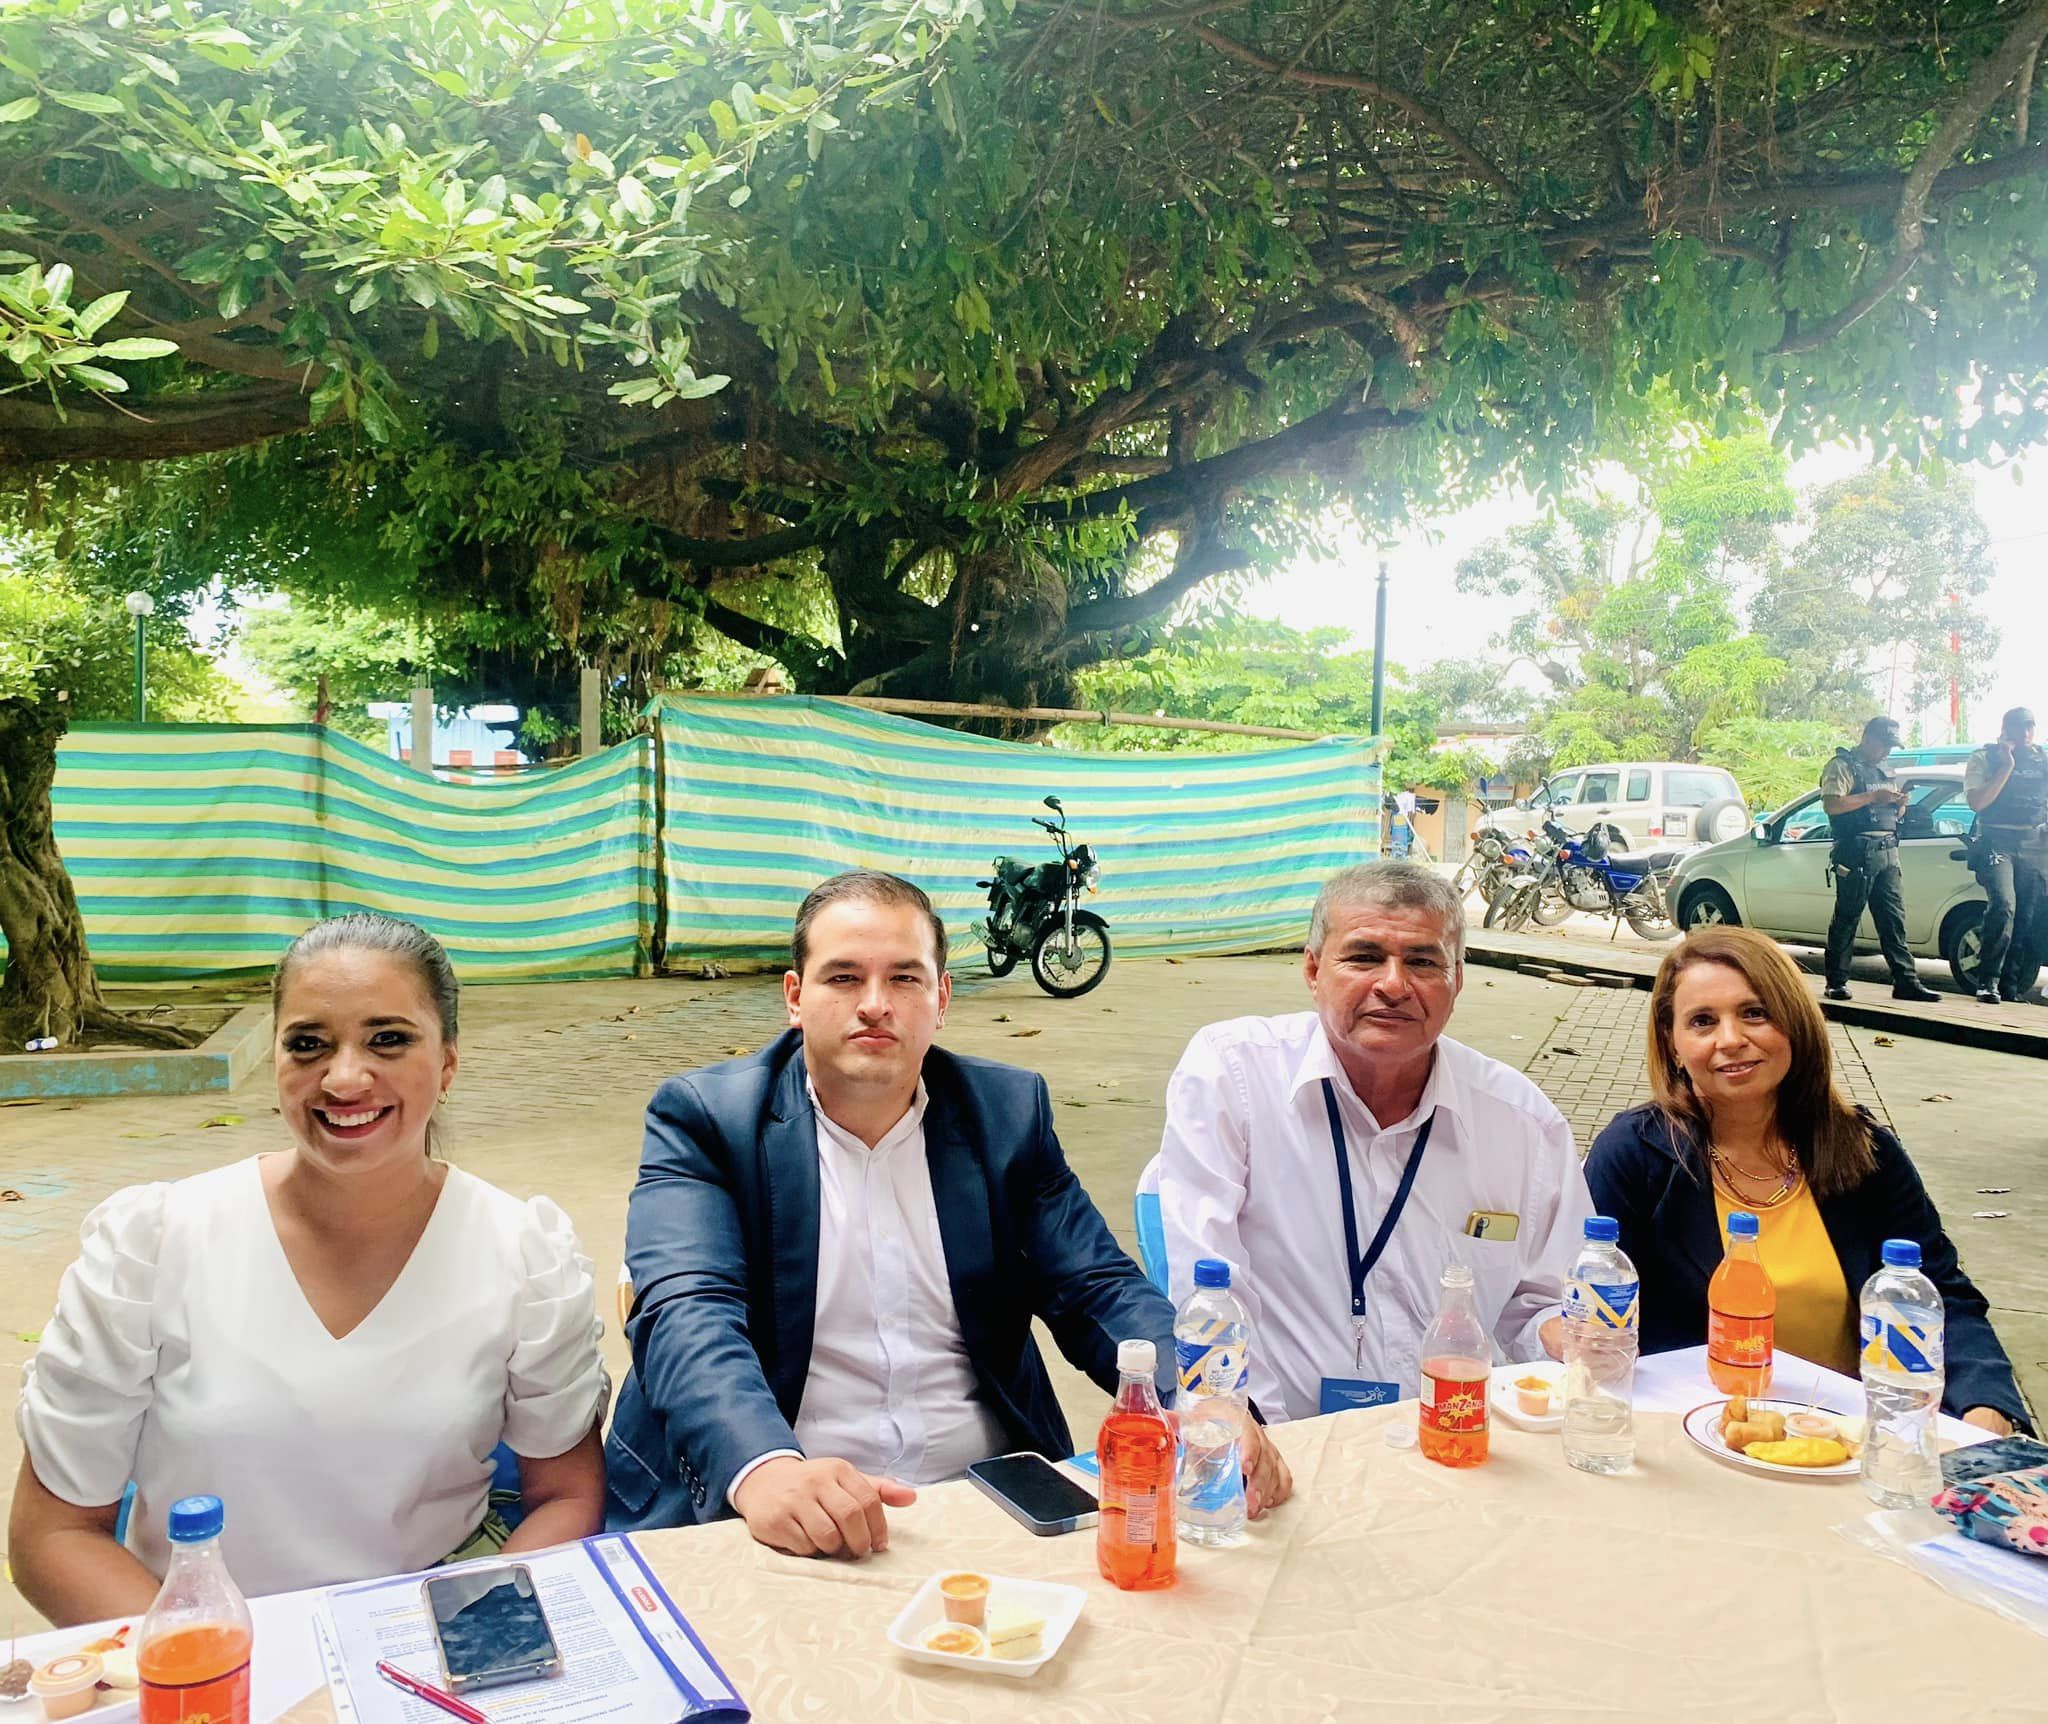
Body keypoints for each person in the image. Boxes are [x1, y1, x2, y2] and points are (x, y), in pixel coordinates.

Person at [604, 869, 1291, 1557]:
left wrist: (1197, 1400)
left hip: (985, 1499)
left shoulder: (1005, 1115)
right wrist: (764, 1467)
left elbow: (1095, 1287)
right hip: (777, 1504)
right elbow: (686, 1311)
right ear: (795, 997)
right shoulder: (708, 1120)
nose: (875, 1004)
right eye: (843, 978)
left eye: (904, 978)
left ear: (941, 999)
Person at [10, 914, 610, 1625]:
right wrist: (213, 1664)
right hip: (190, 1649)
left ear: (448, 1062)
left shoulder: (524, 1253)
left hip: (427, 1637)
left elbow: (567, 1495)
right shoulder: (151, 1244)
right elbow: (54, 1534)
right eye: (307, 1044)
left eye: (388, 1039)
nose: (345, 1077)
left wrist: (449, 1639)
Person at [1156, 861, 1592, 1424]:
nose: (1393, 984)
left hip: (1457, 1432)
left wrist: (1565, 1336)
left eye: (1423, 962)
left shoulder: (1522, 1122)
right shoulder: (1233, 1076)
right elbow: (1210, 1293)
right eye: (1364, 957)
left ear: (1457, 980)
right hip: (1287, 1435)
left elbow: (1541, 1302)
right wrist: (1255, 1431)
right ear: (1313, 970)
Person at [1586, 926, 2025, 1435]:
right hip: (1686, 1439)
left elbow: (1941, 1294)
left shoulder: (1864, 1151)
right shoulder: (1635, 1155)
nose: (1731, 1040)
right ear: (1674, 1044)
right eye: (1703, 1021)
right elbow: (1587, 1312)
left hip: (1845, 1444)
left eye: (1755, 1013)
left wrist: (1986, 1408)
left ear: (1795, 1022)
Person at [1819, 716, 1940, 1003]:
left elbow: (1893, 814)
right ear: (1867, 738)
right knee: (1848, 916)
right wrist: (1872, 796)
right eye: (1884, 744)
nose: (1887, 751)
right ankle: (1836, 982)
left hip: (1887, 850)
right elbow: (1832, 804)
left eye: (1891, 746)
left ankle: (1906, 981)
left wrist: (1900, 804)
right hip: (1856, 850)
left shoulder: (1885, 770)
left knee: (1893, 919)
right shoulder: (1842, 766)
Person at [1964, 706, 2048, 1005]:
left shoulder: (2042, 759)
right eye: (2019, 727)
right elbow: (1977, 802)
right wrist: (2006, 766)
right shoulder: (1985, 758)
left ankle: (2010, 986)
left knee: (2027, 915)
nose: (2025, 734)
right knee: (2003, 905)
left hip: (2032, 843)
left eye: (2030, 727)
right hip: (1996, 840)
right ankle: (1987, 980)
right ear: (2005, 729)